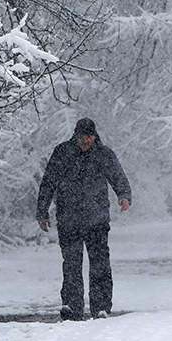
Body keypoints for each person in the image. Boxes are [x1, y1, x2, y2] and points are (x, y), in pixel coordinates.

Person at [36, 118, 131, 320]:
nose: (85, 140)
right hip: (68, 218)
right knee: (71, 264)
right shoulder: (62, 153)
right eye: (82, 136)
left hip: (97, 220)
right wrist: (42, 211)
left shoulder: (104, 154)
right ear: (75, 135)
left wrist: (123, 196)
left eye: (89, 136)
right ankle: (71, 305)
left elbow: (117, 176)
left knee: (100, 265)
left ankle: (101, 306)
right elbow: (48, 182)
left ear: (94, 136)